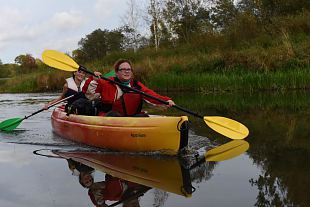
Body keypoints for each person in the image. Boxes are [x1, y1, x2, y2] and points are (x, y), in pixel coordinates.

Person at [82, 59, 175, 117]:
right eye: (123, 69)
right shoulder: (106, 82)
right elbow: (89, 94)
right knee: (114, 115)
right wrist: (93, 80)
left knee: (143, 116)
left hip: (130, 118)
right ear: (117, 72)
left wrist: (166, 101)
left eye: (128, 69)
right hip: (109, 118)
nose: (126, 71)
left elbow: (151, 95)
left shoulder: (136, 85)